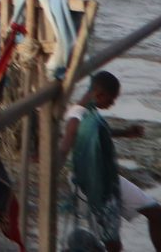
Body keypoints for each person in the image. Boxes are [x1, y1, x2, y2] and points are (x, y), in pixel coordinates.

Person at [61, 71, 159, 251]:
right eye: (111, 100)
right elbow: (67, 142)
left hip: (110, 178)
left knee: (156, 212)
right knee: (113, 243)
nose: (112, 104)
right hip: (92, 184)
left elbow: (96, 132)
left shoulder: (89, 112)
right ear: (99, 95)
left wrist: (125, 132)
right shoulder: (75, 117)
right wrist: (51, 164)